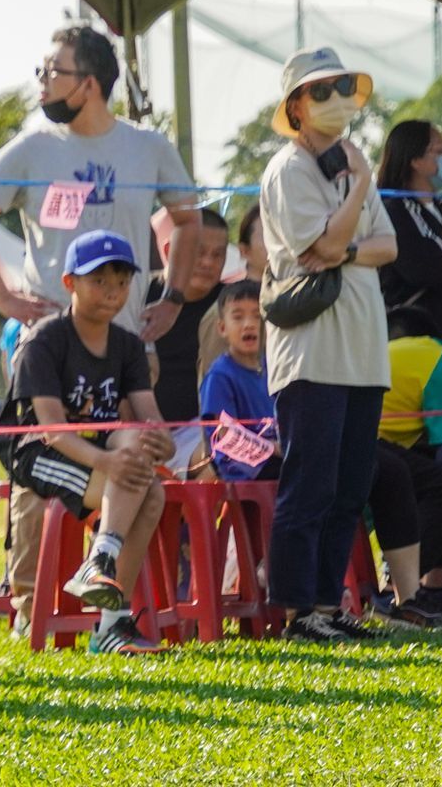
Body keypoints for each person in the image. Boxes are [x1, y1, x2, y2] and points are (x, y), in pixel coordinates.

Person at [0, 24, 200, 626]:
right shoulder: (33, 147)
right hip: (47, 334)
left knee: (134, 454)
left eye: (51, 71)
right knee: (43, 468)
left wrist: (171, 300)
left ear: (88, 83)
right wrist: (3, 297)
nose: (42, 83)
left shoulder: (147, 146)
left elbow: (188, 221)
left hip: (128, 337)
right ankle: (28, 600)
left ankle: (112, 606)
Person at [256, 46, 398, 641]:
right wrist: (362, 183)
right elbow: (318, 247)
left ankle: (326, 603)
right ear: (295, 106)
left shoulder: (346, 168)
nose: (337, 100)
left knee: (349, 486)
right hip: (312, 353)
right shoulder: (289, 170)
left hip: (364, 350)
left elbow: (385, 247)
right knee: (309, 484)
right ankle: (296, 611)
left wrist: (346, 245)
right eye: (321, 90)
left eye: (343, 87)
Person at [0, 230, 173, 654]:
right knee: (147, 491)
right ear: (70, 283)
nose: (113, 292)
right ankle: (111, 620)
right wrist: (108, 463)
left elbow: (148, 414)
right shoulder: (45, 340)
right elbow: (51, 430)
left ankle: (102, 571)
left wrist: (160, 439)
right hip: (43, 454)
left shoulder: (127, 345)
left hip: (102, 452)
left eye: (122, 282)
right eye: (100, 280)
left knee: (140, 457)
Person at [372, 307, 442, 625]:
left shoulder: (423, 351)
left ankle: (433, 590)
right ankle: (406, 587)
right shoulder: (441, 361)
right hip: (362, 443)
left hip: (361, 439)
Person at [146, 209, 231, 478]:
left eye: (218, 255)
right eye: (199, 251)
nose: (208, 262)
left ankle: (191, 519)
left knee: (230, 453)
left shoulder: (233, 305)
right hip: (143, 433)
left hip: (206, 430)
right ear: (171, 249)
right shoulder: (139, 296)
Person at [198, 281, 280, 483]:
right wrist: (273, 448)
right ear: (222, 328)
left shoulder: (273, 368)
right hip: (242, 466)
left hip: (275, 457)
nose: (249, 324)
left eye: (256, 315)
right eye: (238, 317)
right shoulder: (220, 375)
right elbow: (224, 433)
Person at [376, 119, 442, 336]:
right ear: (415, 160)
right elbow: (428, 271)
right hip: (417, 338)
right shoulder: (393, 212)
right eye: (440, 151)